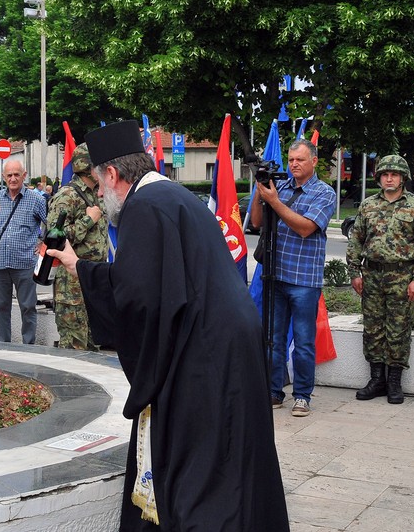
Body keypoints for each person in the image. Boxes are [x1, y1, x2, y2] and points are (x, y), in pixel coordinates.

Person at [48, 120, 289, 531]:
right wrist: (79, 266)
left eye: (100, 184)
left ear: (113, 175)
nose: (101, 196)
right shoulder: (173, 195)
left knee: (204, 463)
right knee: (234, 451)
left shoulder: (143, 208)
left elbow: (139, 299)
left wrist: (87, 276)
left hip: (203, 351)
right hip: (224, 338)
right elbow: (152, 283)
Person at [250, 138, 336, 417]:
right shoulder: (282, 186)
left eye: (300, 159)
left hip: (304, 280)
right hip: (275, 275)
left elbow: (305, 228)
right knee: (272, 340)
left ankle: (302, 396)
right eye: (291, 159)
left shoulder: (324, 193)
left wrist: (274, 201)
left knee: (303, 342)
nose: (294, 164)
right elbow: (256, 223)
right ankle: (274, 391)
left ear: (313, 161)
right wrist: (259, 192)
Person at [345, 155, 414, 404]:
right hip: (372, 275)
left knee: (399, 329)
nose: (389, 178)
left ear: (403, 178)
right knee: (372, 328)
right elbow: (356, 240)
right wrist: (354, 272)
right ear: (379, 178)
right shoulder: (368, 205)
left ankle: (394, 382)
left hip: (402, 277)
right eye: (385, 174)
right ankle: (376, 380)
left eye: (394, 174)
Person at [46, 144, 107, 351]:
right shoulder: (67, 195)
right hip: (71, 282)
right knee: (75, 344)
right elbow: (54, 237)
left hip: (92, 275)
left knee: (92, 343)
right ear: (89, 168)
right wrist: (88, 221)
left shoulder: (95, 194)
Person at [0, 159, 47, 345]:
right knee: (0, 307)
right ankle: (3, 345)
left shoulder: (37, 199)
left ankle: (28, 346)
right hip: (0, 263)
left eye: (17, 174)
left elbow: (49, 225)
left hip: (25, 263)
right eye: (9, 175)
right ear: (4, 177)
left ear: (24, 176)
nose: (13, 179)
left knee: (28, 307)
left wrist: (41, 244)